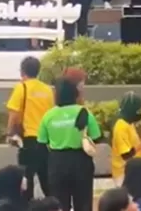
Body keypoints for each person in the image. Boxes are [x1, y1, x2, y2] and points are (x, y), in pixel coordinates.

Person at [37, 78, 102, 211]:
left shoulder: (48, 116)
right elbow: (96, 137)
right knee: (83, 202)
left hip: (57, 162)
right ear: (75, 94)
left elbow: (42, 142)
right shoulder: (85, 113)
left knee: (59, 204)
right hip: (81, 160)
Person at [6, 56, 54, 201]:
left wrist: (9, 133)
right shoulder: (47, 90)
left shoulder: (22, 87)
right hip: (46, 140)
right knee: (46, 179)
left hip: (29, 140)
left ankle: (28, 206)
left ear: (22, 71)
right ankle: (55, 205)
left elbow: (14, 113)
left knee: (27, 178)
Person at [110, 92, 141, 186]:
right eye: (138, 110)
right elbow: (126, 155)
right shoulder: (120, 126)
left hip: (134, 172)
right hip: (124, 175)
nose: (139, 113)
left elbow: (133, 147)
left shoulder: (129, 124)